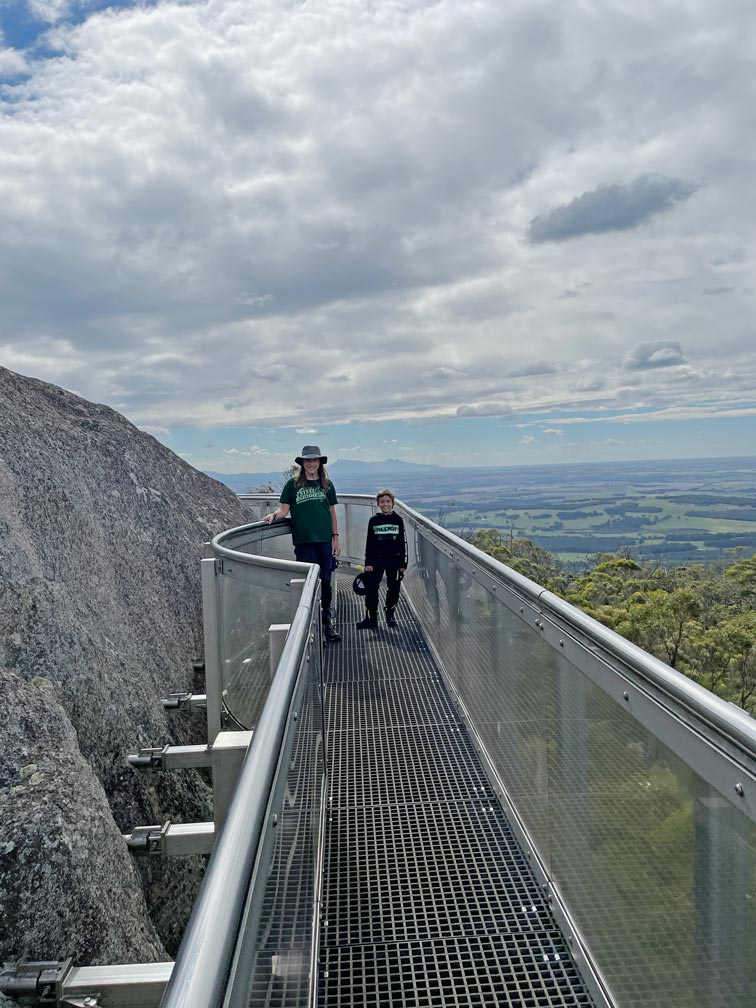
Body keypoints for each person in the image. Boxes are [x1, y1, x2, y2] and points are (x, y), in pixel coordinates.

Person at [264, 446, 341, 642]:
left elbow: (331, 512)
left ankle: (326, 623)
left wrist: (336, 537)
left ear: (320, 463)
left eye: (315, 460)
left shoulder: (327, 485)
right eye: (308, 461)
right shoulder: (293, 485)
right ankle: (311, 625)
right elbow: (284, 510)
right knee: (309, 584)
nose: (311, 464)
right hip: (304, 542)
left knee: (325, 582)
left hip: (324, 540)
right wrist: (274, 515)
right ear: (302, 464)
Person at [357, 488, 407, 629]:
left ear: (393, 503)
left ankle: (389, 614)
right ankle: (370, 618)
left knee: (394, 589)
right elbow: (370, 543)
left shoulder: (398, 520)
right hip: (376, 561)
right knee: (372, 589)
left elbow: (403, 543)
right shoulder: (374, 521)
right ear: (378, 504)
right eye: (382, 502)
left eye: (388, 501)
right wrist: (368, 563)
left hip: (394, 561)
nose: (385, 504)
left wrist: (403, 563)